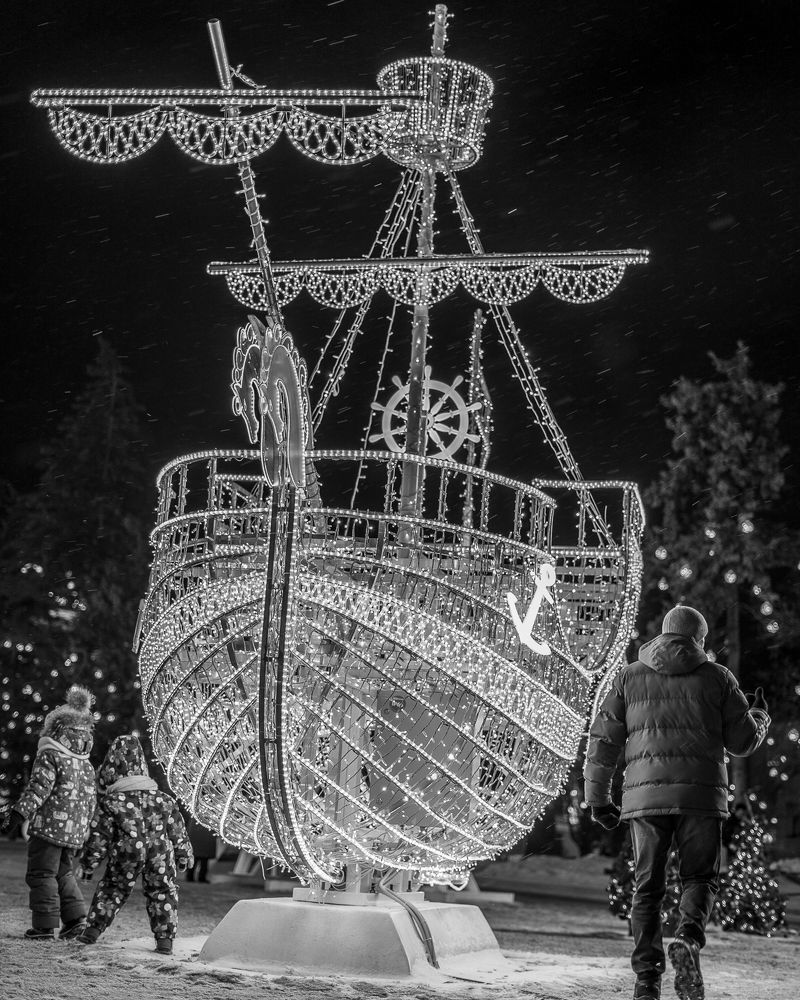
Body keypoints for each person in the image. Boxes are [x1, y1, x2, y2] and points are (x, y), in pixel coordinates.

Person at [584, 605, 770, 1000]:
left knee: (647, 888)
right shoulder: (718, 678)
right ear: (699, 639)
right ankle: (687, 937)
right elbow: (741, 742)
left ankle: (647, 980)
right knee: (699, 878)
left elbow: (603, 742)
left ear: (663, 634)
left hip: (645, 798)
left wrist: (598, 799)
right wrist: (759, 718)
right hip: (701, 797)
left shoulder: (629, 677)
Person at [75, 734, 193, 954]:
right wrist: (183, 853)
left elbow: (100, 837)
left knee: (112, 888)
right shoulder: (164, 799)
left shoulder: (112, 802)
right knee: (162, 891)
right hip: (160, 854)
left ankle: (91, 931)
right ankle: (165, 941)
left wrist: (89, 864)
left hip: (127, 852)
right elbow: (178, 830)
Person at [0, 685, 96, 940]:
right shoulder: (85, 764)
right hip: (73, 832)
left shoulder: (50, 756)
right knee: (63, 873)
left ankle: (43, 925)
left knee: (41, 873)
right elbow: (91, 800)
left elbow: (38, 789)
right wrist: (84, 829)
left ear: (55, 729)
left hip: (48, 829)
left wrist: (17, 815)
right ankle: (75, 919)